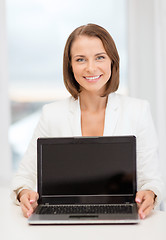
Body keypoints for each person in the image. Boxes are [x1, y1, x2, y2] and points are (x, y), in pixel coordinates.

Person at [11, 23, 164, 219]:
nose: (91, 68)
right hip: (65, 220)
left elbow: (152, 179)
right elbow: (23, 177)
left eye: (100, 57)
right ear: (70, 66)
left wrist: (150, 193)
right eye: (80, 59)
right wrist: (25, 193)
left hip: (120, 220)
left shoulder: (138, 110)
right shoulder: (52, 114)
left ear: (112, 61)